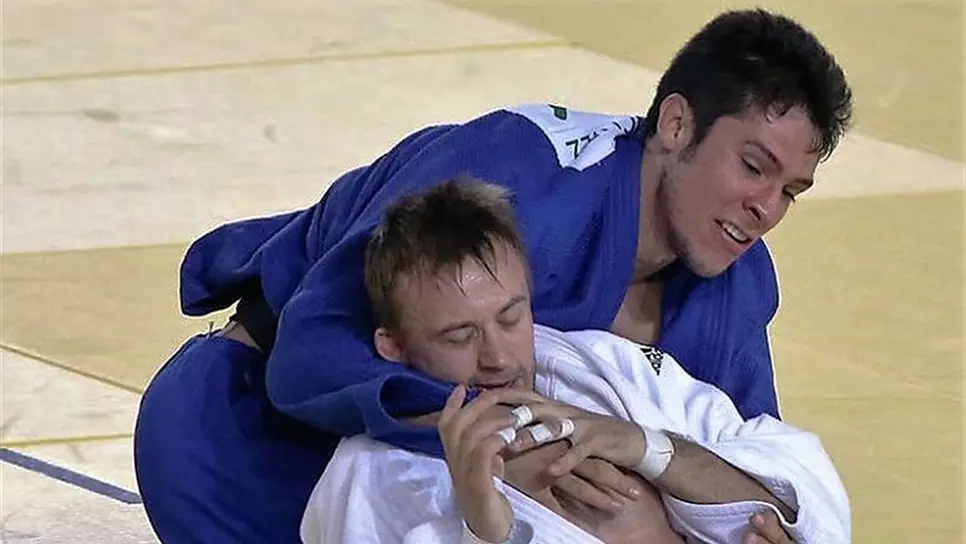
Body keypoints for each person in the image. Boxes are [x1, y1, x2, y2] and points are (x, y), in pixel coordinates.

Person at [133, 8, 854, 544]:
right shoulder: (522, 177)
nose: (765, 209)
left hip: (442, 495)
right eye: (753, 166)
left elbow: (750, 456)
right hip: (243, 434)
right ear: (675, 124)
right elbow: (309, 356)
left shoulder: (738, 280)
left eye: (790, 191)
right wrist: (519, 449)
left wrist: (757, 523)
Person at [300, 178, 850, 544]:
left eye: (512, 317)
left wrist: (644, 447)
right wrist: (484, 526)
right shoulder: (367, 476)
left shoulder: (603, 370)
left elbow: (799, 489)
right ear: (392, 346)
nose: (497, 357)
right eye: (459, 336)